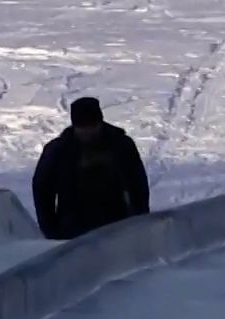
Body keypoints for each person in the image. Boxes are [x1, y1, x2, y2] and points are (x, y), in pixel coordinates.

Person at [30, 97, 150, 240]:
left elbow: (138, 183)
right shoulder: (58, 150)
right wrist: (50, 230)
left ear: (100, 122)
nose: (88, 131)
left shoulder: (121, 145)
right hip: (73, 231)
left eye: (92, 126)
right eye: (82, 127)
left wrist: (140, 221)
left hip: (117, 226)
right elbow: (42, 190)